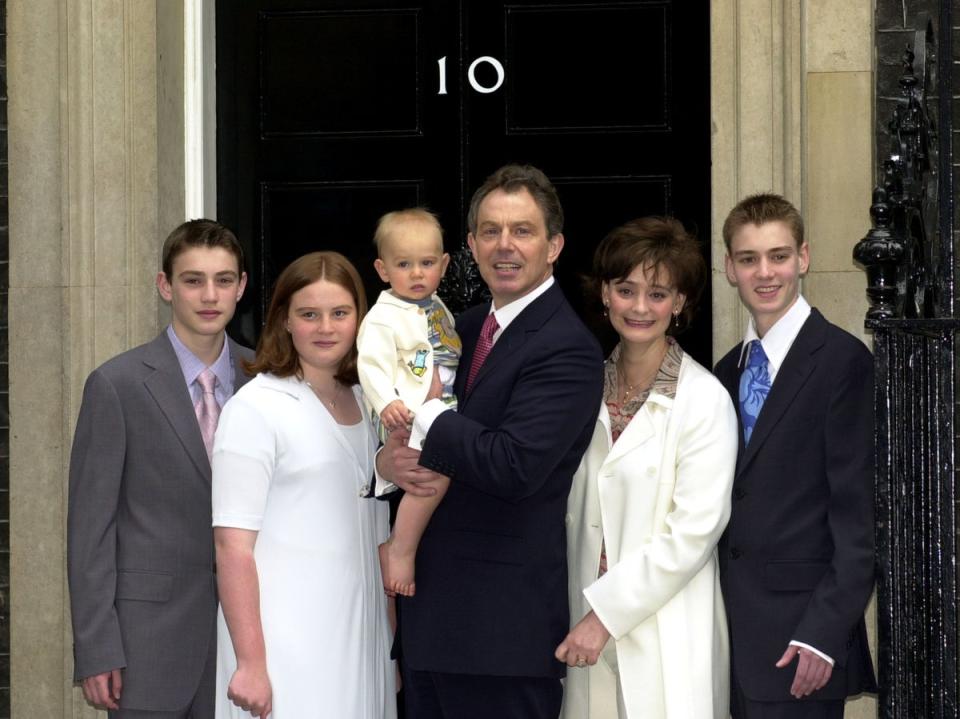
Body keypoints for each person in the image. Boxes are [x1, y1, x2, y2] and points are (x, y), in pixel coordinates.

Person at [377, 164, 604, 719]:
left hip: (502, 639)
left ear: (554, 245)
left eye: (522, 230)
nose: (505, 245)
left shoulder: (568, 347)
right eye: (490, 230)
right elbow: (407, 427)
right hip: (429, 620)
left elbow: (514, 465)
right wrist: (388, 460)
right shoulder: (461, 326)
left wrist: (429, 412)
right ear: (472, 245)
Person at [67, 219, 251, 717]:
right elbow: (91, 531)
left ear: (242, 286)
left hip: (252, 639)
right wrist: (97, 647)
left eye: (223, 279)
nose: (209, 295)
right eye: (193, 280)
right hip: (147, 645)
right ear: (165, 286)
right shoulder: (116, 384)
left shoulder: (267, 380)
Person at [557, 217, 738, 718]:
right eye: (626, 289)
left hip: (665, 632)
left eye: (658, 294)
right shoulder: (582, 388)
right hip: (582, 629)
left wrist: (605, 617)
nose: (639, 307)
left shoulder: (703, 400)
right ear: (606, 295)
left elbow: (693, 534)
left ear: (679, 303)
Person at [212, 251, 396, 719]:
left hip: (362, 634)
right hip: (284, 644)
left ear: (361, 319)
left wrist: (391, 645)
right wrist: (251, 663)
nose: (326, 328)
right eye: (309, 314)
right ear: (285, 322)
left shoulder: (370, 403)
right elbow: (232, 547)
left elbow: (379, 539)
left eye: (340, 313)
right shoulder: (256, 408)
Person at [714, 194, 877, 718]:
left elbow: (860, 517)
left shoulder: (843, 361)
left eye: (778, 256)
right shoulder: (725, 372)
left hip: (801, 646)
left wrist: (824, 634)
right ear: (729, 268)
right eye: (748, 259)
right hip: (725, 638)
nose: (765, 272)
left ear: (803, 258)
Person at [357, 208, 461, 597]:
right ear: (383, 270)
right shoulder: (384, 317)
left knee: (441, 469)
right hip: (405, 412)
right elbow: (371, 365)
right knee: (432, 473)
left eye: (427, 263)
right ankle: (400, 548)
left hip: (437, 407)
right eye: (404, 264)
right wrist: (387, 403)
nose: (417, 273)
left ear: (444, 264)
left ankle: (402, 545)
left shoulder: (436, 309)